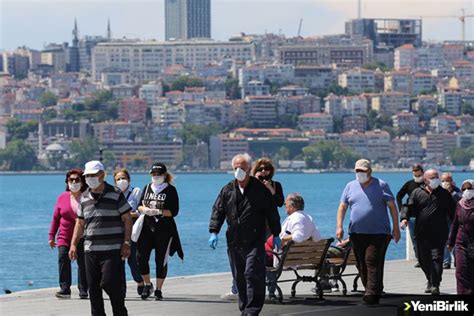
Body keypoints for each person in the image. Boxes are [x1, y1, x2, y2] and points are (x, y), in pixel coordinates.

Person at [209, 153, 281, 316]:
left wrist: (276, 234)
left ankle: (253, 309)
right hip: (234, 241)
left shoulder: (260, 190)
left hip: (255, 240)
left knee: (252, 273)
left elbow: (272, 212)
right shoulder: (227, 189)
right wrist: (214, 231)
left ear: (249, 168)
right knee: (239, 277)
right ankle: (244, 309)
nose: (238, 171)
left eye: (242, 168)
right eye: (235, 168)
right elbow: (218, 211)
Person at [69, 160, 133, 316]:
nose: (89, 178)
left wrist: (127, 242)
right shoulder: (84, 197)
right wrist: (73, 245)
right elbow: (79, 223)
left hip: (112, 250)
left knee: (109, 283)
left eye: (93, 175)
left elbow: (127, 219)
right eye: (87, 176)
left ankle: (120, 311)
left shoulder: (116, 193)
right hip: (90, 250)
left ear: (102, 175)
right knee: (93, 289)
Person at [336, 159, 400, 305]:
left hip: (379, 233)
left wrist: (395, 228)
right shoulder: (350, 186)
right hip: (357, 233)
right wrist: (339, 226)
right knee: (361, 263)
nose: (360, 173)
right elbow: (342, 207)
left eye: (363, 171)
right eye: (357, 171)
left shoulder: (381, 185)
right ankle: (373, 289)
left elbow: (392, 206)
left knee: (372, 260)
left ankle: (371, 293)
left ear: (370, 171)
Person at [222, 157, 285, 300]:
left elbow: (280, 203)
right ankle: (237, 287)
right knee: (241, 258)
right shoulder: (250, 185)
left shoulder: (276, 185)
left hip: (267, 228)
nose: (264, 172)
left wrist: (270, 190)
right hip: (250, 227)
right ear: (254, 171)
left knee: (264, 257)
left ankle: (268, 289)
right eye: (260, 169)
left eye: (266, 169)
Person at [400, 169, 456, 296]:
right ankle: (430, 279)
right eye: (433, 177)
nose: (436, 179)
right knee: (423, 259)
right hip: (421, 233)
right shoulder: (417, 192)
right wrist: (404, 218)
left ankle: (435, 284)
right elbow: (408, 207)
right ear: (425, 180)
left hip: (439, 233)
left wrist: (457, 227)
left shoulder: (444, 194)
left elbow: (453, 212)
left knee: (437, 259)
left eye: (437, 177)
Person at [136, 162, 184, 300]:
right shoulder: (146, 188)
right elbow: (139, 206)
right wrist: (144, 210)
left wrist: (159, 211)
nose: (156, 176)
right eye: (153, 174)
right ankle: (147, 284)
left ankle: (158, 289)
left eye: (159, 174)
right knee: (141, 258)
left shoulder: (170, 190)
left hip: (164, 230)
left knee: (160, 260)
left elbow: (174, 211)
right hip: (146, 228)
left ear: (164, 175)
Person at [265, 193, 320, 300]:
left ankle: (270, 290)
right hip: (300, 256)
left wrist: (283, 239)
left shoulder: (295, 218)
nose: (285, 206)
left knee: (259, 255)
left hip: (285, 258)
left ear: (292, 206)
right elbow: (317, 238)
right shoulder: (308, 217)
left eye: (286, 204)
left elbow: (298, 237)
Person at [48, 168, 88, 299]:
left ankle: (83, 289)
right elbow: (55, 218)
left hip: (83, 236)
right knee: (63, 260)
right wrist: (51, 236)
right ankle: (65, 289)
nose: (74, 182)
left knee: (83, 263)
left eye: (77, 179)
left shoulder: (87, 196)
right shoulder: (62, 197)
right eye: (71, 180)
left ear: (82, 182)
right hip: (64, 236)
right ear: (67, 182)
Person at [113, 169, 144, 296]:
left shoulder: (136, 192)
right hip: (116, 231)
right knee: (118, 262)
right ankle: (121, 289)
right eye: (118, 179)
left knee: (133, 261)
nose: (121, 181)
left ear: (129, 179)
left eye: (123, 178)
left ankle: (140, 281)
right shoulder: (113, 194)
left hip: (132, 231)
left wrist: (127, 215)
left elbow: (140, 211)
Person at [447, 180, 474, 295]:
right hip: (461, 243)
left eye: (469, 188)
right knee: (461, 271)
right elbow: (455, 223)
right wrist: (450, 242)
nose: (467, 191)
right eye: (464, 189)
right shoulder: (460, 204)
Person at [396, 164, 424, 267]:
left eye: (419, 175)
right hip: (412, 217)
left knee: (426, 239)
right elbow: (399, 195)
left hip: (426, 216)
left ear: (422, 173)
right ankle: (420, 260)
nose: (417, 177)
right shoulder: (409, 184)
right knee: (415, 239)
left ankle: (428, 258)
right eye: (415, 175)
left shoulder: (427, 183)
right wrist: (401, 210)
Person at [441, 172, 462, 269]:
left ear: (451, 181)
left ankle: (457, 260)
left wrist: (451, 192)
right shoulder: (440, 191)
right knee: (444, 240)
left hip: (454, 219)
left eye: (446, 181)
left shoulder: (457, 191)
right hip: (443, 219)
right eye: (442, 181)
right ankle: (446, 261)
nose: (444, 183)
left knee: (454, 240)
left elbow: (460, 201)